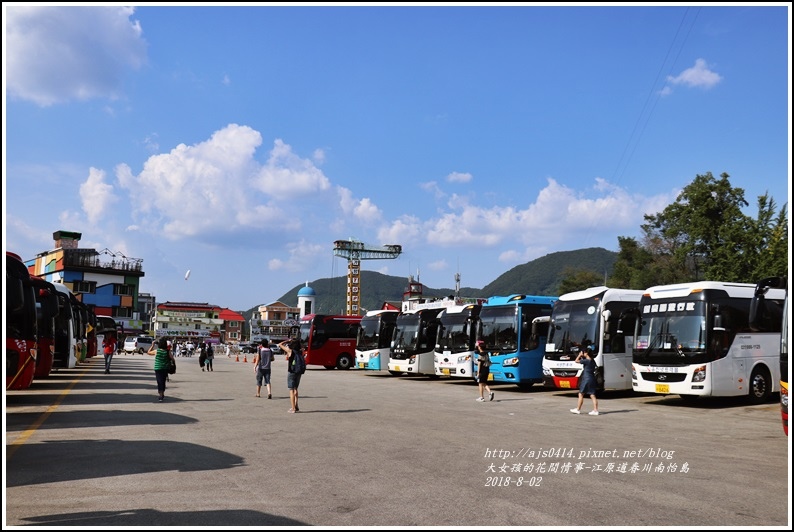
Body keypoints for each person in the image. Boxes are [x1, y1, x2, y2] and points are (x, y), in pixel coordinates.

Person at [571, 344, 599, 415]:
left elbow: (576, 361)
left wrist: (579, 355)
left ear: (586, 353)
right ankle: (595, 410)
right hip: (592, 378)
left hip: (586, 378)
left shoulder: (587, 361)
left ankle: (578, 409)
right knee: (592, 394)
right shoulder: (592, 360)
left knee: (581, 394)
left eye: (583, 352)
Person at [280, 338, 305, 413]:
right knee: (296, 388)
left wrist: (287, 341)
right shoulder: (301, 351)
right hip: (299, 371)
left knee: (291, 389)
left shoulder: (290, 351)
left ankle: (293, 408)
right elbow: (302, 346)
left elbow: (280, 344)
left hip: (292, 371)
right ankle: (296, 405)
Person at [147, 337, 174, 402]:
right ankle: (162, 393)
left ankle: (161, 395)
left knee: (159, 382)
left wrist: (152, 345)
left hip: (158, 368)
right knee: (163, 381)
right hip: (165, 368)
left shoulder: (157, 351)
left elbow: (148, 352)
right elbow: (172, 359)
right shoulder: (168, 352)